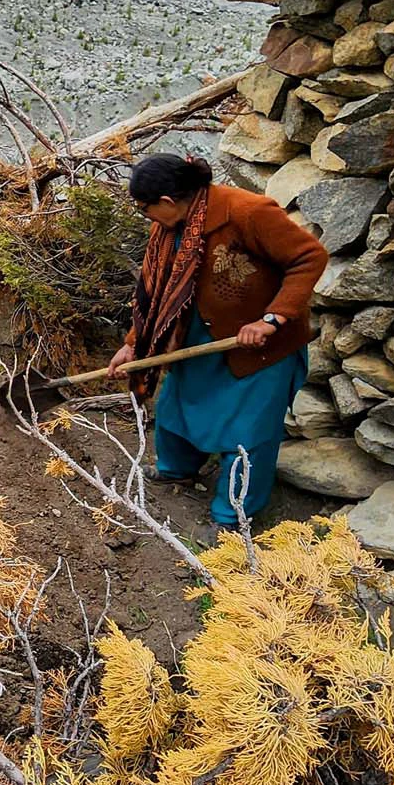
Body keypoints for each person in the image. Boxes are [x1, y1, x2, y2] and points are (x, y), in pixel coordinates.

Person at [107, 154, 328, 530]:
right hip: (196, 337)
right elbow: (154, 292)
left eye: (146, 210)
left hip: (257, 348)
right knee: (178, 407)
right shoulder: (169, 226)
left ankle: (232, 518)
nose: (147, 218)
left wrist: (271, 319)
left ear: (167, 201)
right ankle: (176, 471)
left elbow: (310, 257)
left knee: (248, 433)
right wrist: (134, 343)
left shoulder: (249, 212)